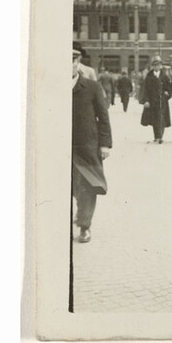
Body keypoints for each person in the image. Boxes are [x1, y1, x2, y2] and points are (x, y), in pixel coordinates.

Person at [71, 42, 112, 244]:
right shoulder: (50, 85)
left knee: (86, 188)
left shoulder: (92, 87)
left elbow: (103, 117)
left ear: (77, 62)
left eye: (71, 60)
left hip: (87, 147)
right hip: (60, 148)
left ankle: (84, 227)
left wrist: (105, 144)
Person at [141, 55, 172, 143]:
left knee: (161, 118)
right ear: (153, 66)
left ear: (161, 66)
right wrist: (146, 100)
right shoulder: (149, 77)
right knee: (154, 119)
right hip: (152, 101)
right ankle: (157, 136)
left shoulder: (164, 77)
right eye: (155, 65)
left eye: (158, 65)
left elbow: (169, 88)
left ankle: (160, 136)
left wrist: (167, 93)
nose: (156, 67)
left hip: (162, 102)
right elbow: (145, 90)